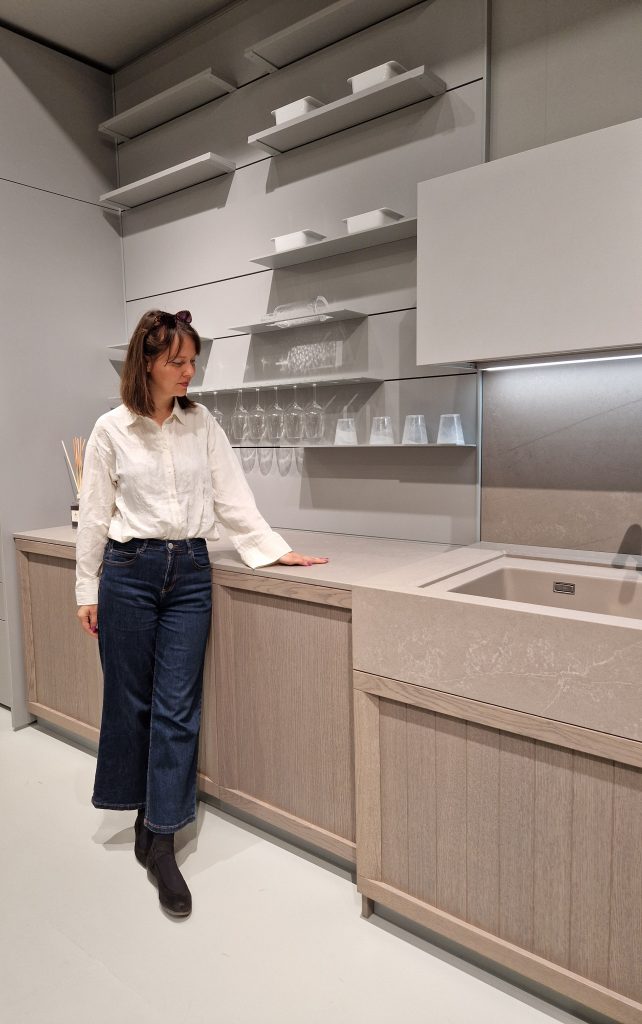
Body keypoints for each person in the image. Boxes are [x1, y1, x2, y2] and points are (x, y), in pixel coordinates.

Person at [76, 309, 328, 918]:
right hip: (129, 574)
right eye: (178, 361)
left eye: (193, 360)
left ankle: (161, 837)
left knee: (177, 707)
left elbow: (231, 495)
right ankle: (138, 808)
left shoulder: (201, 422)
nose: (190, 372)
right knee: (130, 702)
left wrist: (275, 550)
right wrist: (87, 588)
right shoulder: (112, 429)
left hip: (189, 572)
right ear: (148, 364)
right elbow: (95, 511)